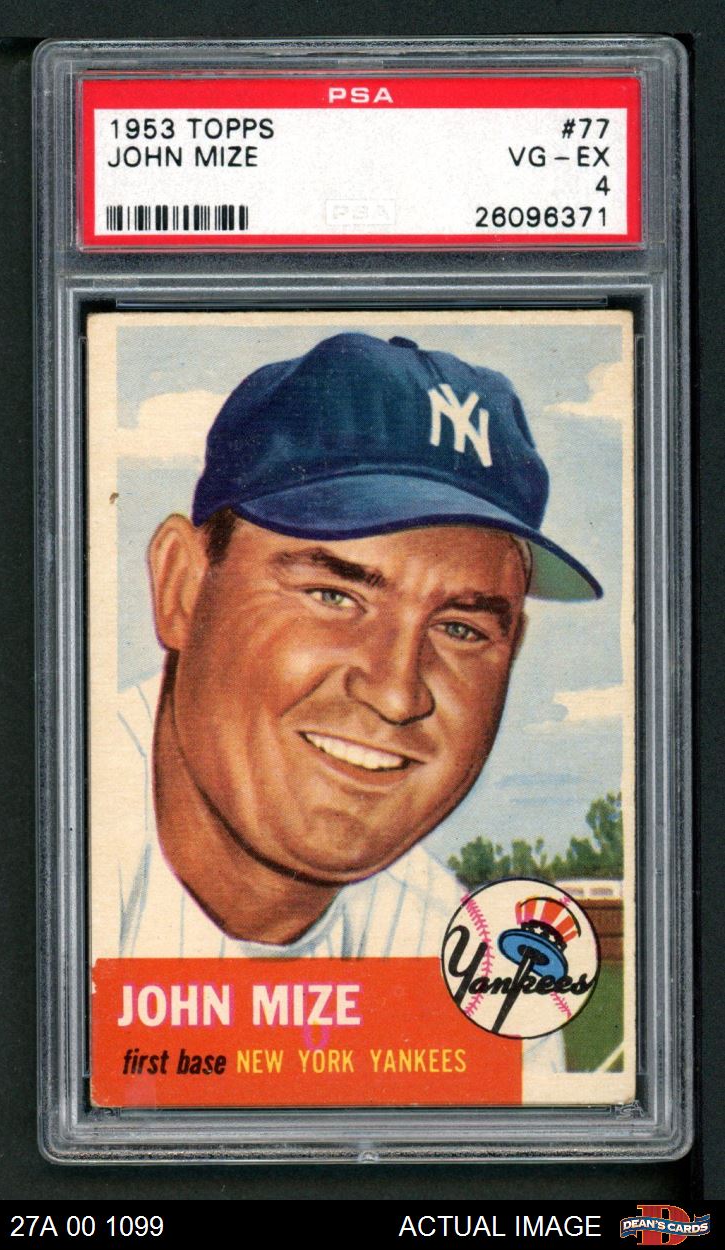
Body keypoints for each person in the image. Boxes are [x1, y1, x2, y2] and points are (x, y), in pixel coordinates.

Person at [114, 331, 601, 966]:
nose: (397, 694)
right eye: (332, 595)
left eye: (460, 629)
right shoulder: (50, 845)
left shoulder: (459, 961)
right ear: (181, 588)